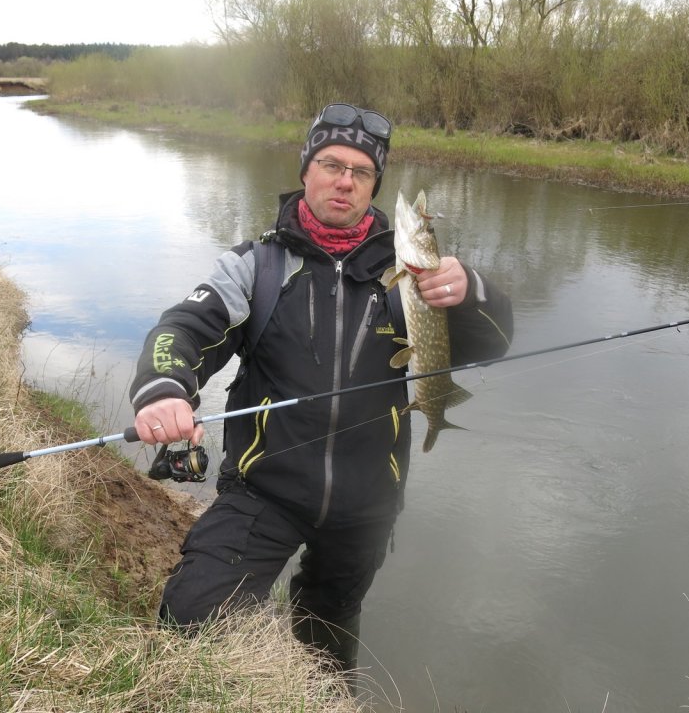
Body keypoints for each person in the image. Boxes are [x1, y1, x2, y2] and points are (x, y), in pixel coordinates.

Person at [129, 102, 513, 672]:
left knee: (328, 639)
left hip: (368, 501)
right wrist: (165, 386)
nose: (344, 181)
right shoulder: (255, 267)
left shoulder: (413, 273)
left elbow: (491, 342)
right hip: (264, 489)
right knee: (190, 618)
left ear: (373, 185)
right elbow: (183, 328)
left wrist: (473, 291)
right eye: (332, 164)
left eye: (361, 172)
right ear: (305, 169)